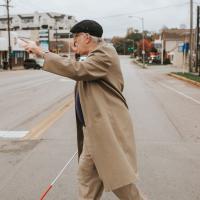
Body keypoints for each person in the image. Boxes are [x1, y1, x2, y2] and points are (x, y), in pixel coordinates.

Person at [24, 20, 144, 200]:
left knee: (120, 182)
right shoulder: (94, 55)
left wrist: (41, 52)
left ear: (87, 38)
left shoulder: (105, 54)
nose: (74, 41)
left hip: (105, 130)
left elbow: (78, 70)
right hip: (93, 130)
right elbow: (76, 66)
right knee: (87, 177)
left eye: (76, 37)